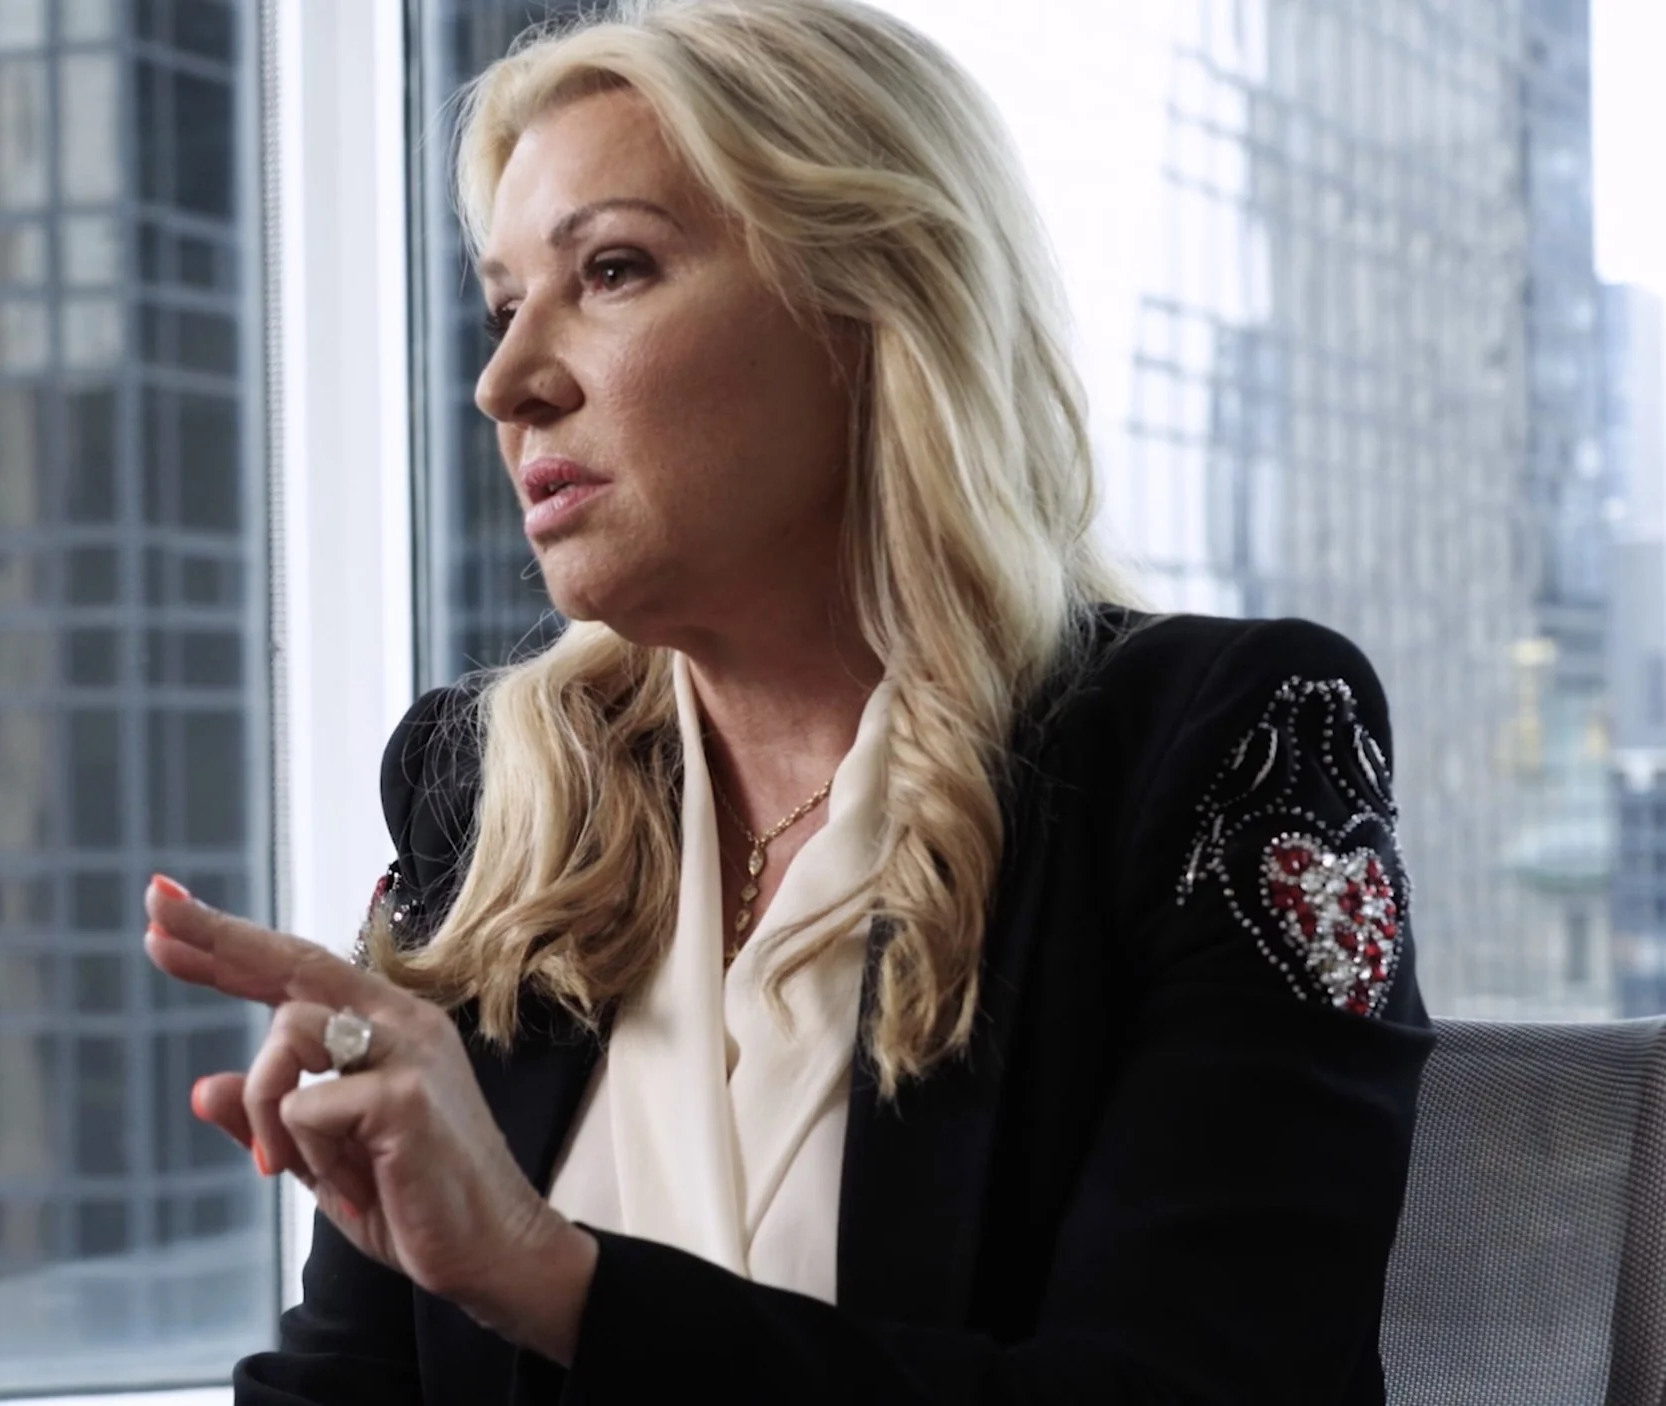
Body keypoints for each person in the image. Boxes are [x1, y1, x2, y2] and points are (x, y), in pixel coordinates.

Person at [139, 0, 1433, 1399]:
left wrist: (548, 1277)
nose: (506, 382)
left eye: (613, 269)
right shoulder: (486, 793)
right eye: (507, 305)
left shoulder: (1227, 747)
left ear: (872, 304)